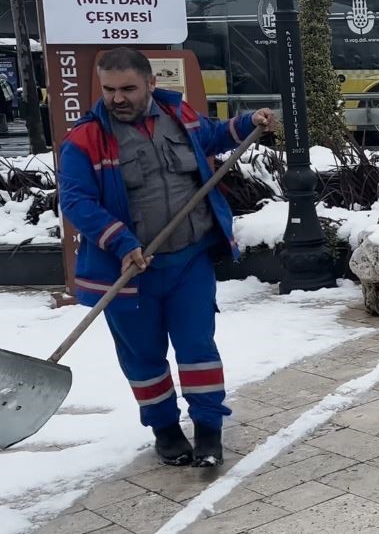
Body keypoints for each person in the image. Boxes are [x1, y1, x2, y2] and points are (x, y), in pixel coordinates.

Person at [58, 47, 275, 467]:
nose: (117, 98)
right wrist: (121, 242)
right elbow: (77, 202)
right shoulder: (84, 140)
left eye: (128, 89)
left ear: (151, 84)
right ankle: (165, 430)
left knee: (197, 346)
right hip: (128, 274)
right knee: (143, 357)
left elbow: (210, 135)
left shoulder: (178, 116)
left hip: (187, 260)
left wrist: (247, 122)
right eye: (109, 89)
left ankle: (209, 428)